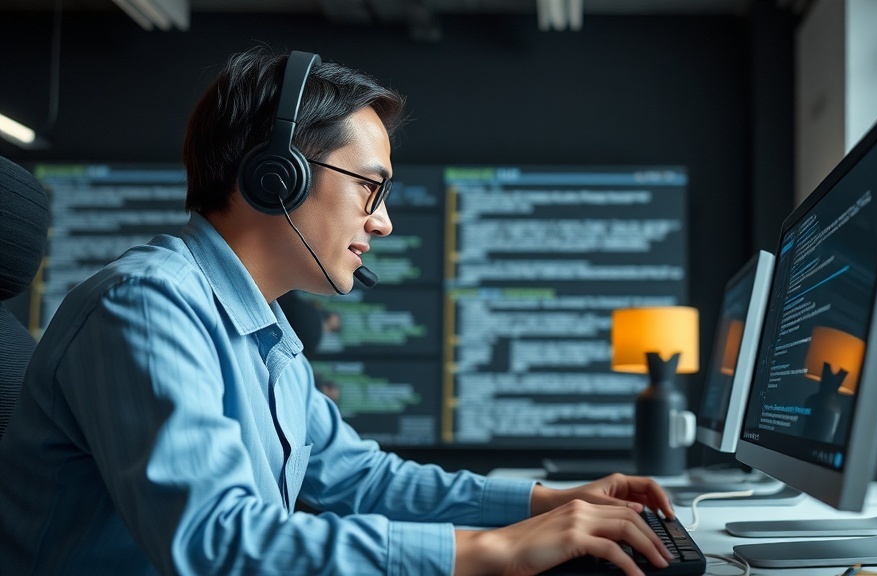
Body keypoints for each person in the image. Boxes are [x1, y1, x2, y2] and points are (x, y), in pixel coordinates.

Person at [0, 47, 677, 576]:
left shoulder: (268, 337)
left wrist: (545, 504)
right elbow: (215, 545)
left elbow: (360, 478)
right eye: (370, 189)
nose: (381, 224)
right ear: (276, 174)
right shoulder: (148, 307)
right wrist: (495, 552)